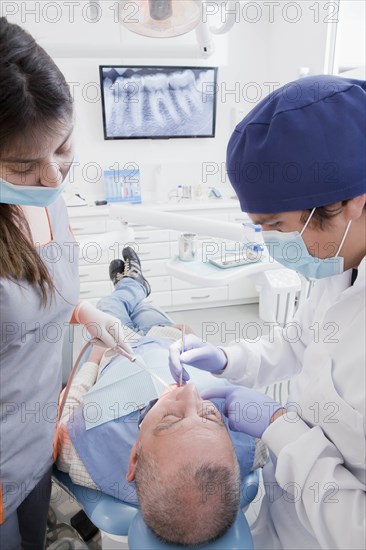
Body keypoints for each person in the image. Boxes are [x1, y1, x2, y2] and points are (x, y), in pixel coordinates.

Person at [169, 75, 366, 549]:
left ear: (349, 204)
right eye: (261, 228)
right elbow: (300, 342)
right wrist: (226, 359)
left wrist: (282, 428)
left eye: (277, 225)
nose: (273, 245)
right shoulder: (338, 263)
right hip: (284, 513)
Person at [0, 18, 135, 550]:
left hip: (37, 447)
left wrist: (85, 313)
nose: (54, 179)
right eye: (23, 165)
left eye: (63, 148)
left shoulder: (46, 200)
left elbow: (46, 290)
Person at [57, 249, 260, 546]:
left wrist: (93, 361)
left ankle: (129, 282)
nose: (190, 392)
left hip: (113, 351)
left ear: (135, 457)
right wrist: (203, 345)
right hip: (168, 340)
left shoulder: (81, 452)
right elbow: (230, 379)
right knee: (147, 309)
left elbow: (69, 404)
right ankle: (134, 284)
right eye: (209, 415)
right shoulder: (252, 441)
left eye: (171, 418)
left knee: (110, 305)